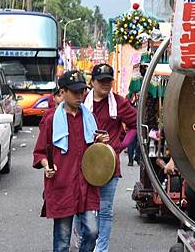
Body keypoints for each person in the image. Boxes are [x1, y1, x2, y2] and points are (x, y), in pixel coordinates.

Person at [32, 70, 109, 252]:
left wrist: (100, 143)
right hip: (62, 184)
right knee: (62, 239)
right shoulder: (51, 120)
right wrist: (46, 166)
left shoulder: (90, 119)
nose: (79, 95)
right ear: (63, 92)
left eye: (82, 91)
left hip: (87, 185)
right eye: (74, 92)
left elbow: (95, 153)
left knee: (92, 231)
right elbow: (40, 152)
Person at [83, 63, 137, 252]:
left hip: (109, 166)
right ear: (93, 82)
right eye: (101, 81)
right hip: (84, 165)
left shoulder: (119, 103)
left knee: (105, 210)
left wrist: (119, 147)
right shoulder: (81, 100)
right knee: (81, 209)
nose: (105, 85)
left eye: (108, 81)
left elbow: (134, 125)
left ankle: (101, 249)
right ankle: (85, 244)